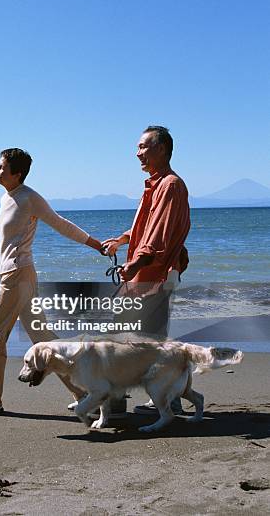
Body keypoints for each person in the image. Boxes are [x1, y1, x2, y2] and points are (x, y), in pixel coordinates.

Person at [0, 148, 103, 414]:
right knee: (42, 337)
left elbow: (61, 224)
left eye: (1, 167)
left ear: (17, 173)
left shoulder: (29, 198)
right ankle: (86, 392)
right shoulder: (7, 198)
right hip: (16, 274)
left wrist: (96, 245)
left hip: (17, 274)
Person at [102, 125, 190, 415]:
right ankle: (155, 398)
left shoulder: (170, 185)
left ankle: (162, 400)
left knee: (144, 338)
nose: (137, 153)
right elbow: (146, 227)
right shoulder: (156, 184)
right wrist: (123, 239)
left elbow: (159, 236)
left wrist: (137, 262)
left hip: (157, 272)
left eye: (143, 147)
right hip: (149, 271)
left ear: (161, 149)